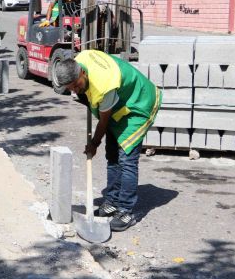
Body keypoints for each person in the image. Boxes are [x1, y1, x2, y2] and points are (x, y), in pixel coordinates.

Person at [54, 50, 162, 231]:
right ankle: (112, 200)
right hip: (119, 104)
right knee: (112, 154)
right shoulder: (79, 61)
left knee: (127, 159)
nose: (73, 90)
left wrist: (94, 143)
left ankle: (126, 210)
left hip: (139, 103)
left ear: (82, 73)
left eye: (75, 85)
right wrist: (82, 93)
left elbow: (103, 122)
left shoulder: (103, 86)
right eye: (70, 89)